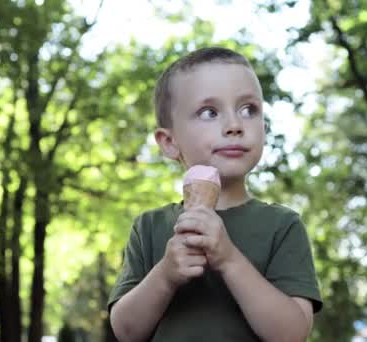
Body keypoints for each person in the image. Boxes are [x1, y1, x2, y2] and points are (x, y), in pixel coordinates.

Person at [108, 46, 322, 341]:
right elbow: (126, 331)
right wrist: (166, 274)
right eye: (209, 112)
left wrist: (229, 259)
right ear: (169, 142)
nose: (234, 125)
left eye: (249, 109)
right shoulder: (148, 228)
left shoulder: (282, 226)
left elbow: (291, 334)